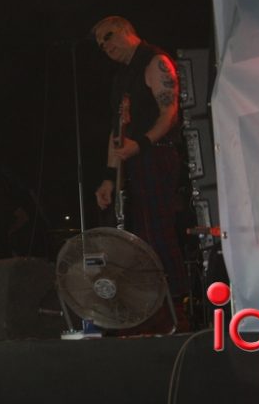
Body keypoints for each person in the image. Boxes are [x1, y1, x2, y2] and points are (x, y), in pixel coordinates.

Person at [91, 16, 188, 304]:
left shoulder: (154, 60)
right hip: (131, 161)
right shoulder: (121, 78)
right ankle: (151, 304)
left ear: (125, 30)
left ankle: (176, 301)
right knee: (135, 236)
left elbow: (169, 113)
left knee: (156, 230)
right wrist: (109, 177)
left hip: (156, 154)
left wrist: (142, 143)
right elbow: (116, 131)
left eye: (108, 36)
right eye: (100, 44)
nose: (105, 46)